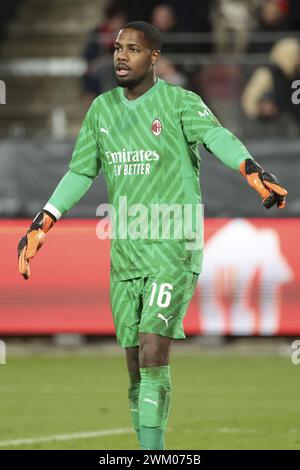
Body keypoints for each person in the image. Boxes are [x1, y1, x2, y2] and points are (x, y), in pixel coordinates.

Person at [17, 21, 288, 450]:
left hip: (172, 246)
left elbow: (216, 135)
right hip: (126, 253)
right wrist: (45, 219)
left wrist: (249, 167)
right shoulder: (101, 110)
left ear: (155, 57)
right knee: (133, 363)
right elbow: (81, 170)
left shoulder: (180, 103)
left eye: (133, 49)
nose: (121, 56)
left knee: (152, 352)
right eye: (117, 48)